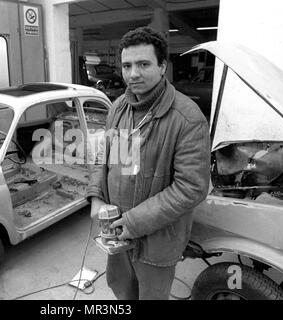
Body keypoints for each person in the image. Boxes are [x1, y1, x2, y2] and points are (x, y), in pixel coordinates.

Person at [86, 26, 211, 300]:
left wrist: (132, 222)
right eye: (127, 65)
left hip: (157, 241)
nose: (133, 74)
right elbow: (104, 157)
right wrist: (96, 197)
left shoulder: (187, 118)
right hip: (116, 234)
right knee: (120, 288)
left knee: (151, 296)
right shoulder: (119, 108)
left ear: (162, 66)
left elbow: (191, 187)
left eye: (143, 64)